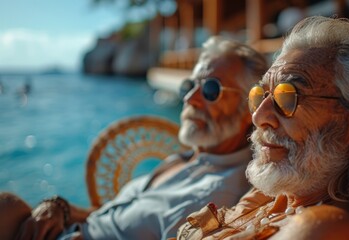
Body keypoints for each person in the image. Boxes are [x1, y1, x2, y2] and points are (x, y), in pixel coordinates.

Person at [177, 16, 349, 239]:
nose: (259, 116)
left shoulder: (324, 227)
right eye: (259, 95)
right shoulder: (277, 195)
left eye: (288, 97)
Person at [0, 36, 268, 240]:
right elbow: (111, 215)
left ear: (250, 107)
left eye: (211, 88)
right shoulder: (189, 158)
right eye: (190, 85)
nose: (188, 98)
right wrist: (62, 208)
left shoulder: (213, 202)